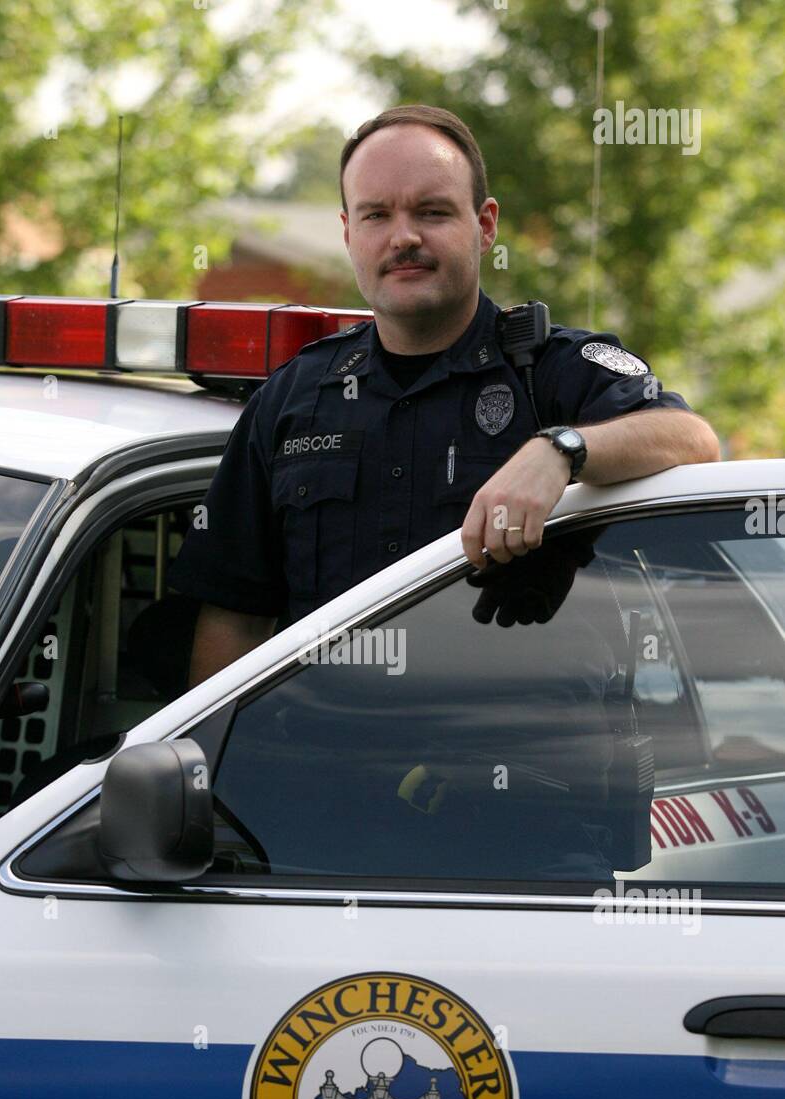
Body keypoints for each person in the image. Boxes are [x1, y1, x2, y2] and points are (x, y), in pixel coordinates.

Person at [170, 104, 720, 687]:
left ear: (485, 226)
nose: (403, 237)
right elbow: (234, 615)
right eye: (376, 214)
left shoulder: (553, 371)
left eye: (431, 212)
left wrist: (560, 450)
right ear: (348, 231)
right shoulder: (293, 397)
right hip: (333, 762)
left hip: (537, 758)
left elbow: (693, 440)